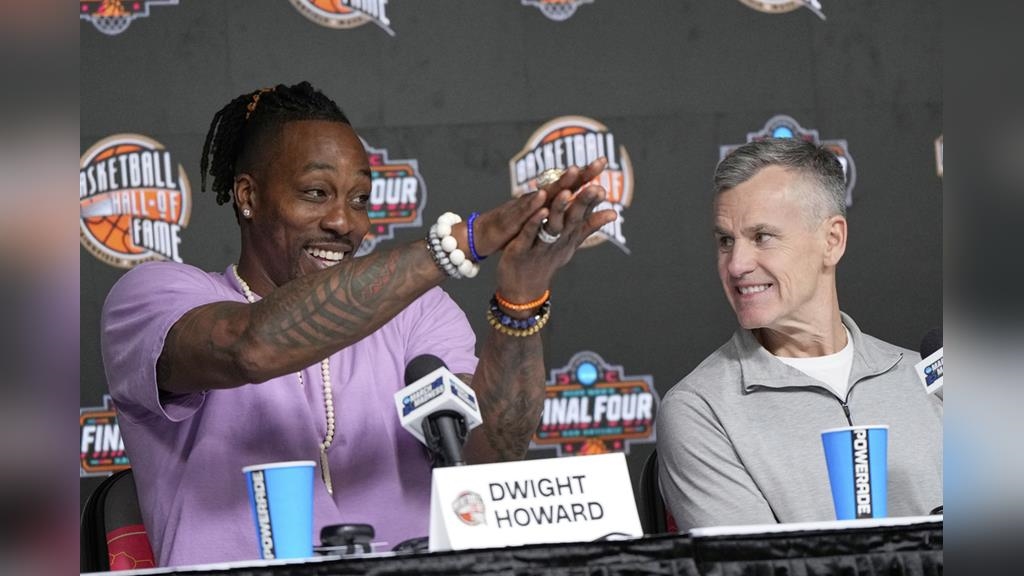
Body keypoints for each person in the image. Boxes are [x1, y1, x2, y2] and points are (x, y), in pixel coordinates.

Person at [100, 81, 616, 566]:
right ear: (248, 196)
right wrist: (460, 244)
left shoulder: (418, 311)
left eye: (360, 198)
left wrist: (521, 294)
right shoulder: (154, 296)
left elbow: (488, 461)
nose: (344, 222)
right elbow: (249, 347)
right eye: (315, 193)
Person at [656, 138, 942, 530]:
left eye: (762, 237)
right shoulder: (700, 409)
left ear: (832, 240)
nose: (736, 265)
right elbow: (754, 560)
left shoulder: (928, 377)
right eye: (725, 241)